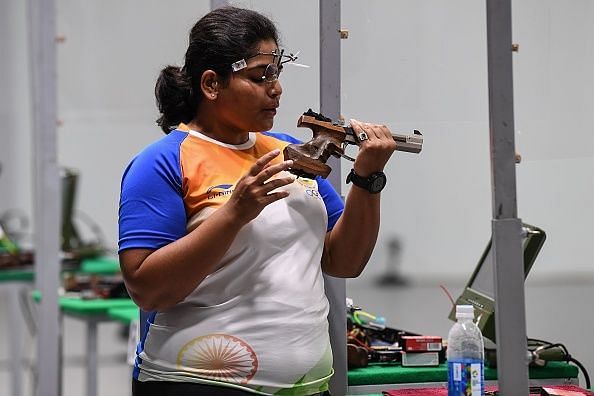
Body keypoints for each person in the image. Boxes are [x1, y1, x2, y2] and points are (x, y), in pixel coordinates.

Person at [118, 6, 397, 396]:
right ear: (211, 84)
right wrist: (235, 212)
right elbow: (147, 289)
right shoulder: (163, 161)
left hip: (306, 388)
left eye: (277, 72)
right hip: (197, 385)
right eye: (259, 75)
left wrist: (367, 179)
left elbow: (344, 260)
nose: (276, 87)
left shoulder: (288, 151)